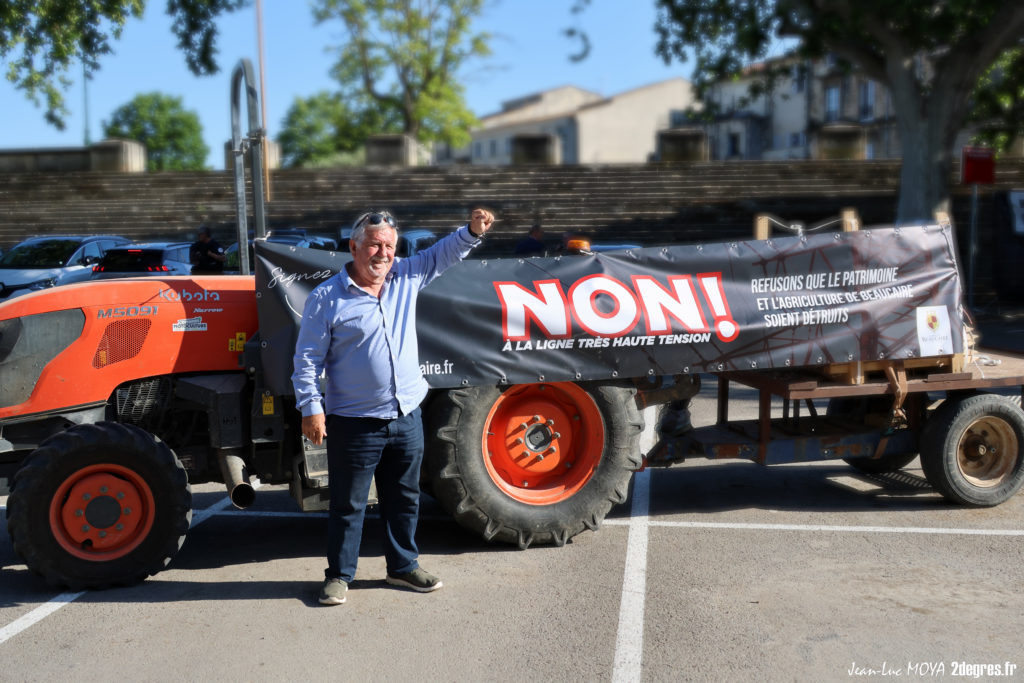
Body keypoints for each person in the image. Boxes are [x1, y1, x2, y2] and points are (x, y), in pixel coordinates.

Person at [291, 207, 495, 606]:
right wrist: (311, 408)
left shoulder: (406, 275)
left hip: (406, 417)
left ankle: (402, 567)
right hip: (354, 422)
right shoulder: (326, 298)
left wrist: (472, 232)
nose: (382, 253)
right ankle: (339, 576)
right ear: (353, 248)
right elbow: (307, 360)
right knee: (348, 505)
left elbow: (443, 253)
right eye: (373, 245)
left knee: (404, 498)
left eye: (389, 245)